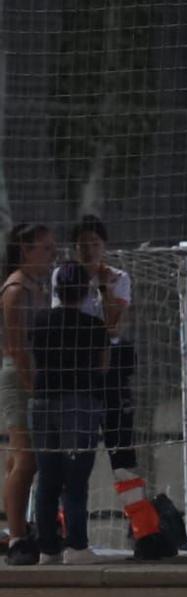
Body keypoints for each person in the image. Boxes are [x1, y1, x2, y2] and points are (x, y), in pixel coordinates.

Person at [67, 216, 168, 555]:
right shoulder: (64, 279)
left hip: (109, 376)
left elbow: (112, 324)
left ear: (104, 246)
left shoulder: (119, 279)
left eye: (94, 243)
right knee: (72, 457)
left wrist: (102, 287)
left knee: (122, 455)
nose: (88, 249)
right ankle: (64, 532)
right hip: (77, 375)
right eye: (82, 244)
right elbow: (65, 324)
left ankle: (144, 533)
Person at [28, 261, 109, 564]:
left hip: (42, 401)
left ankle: (47, 548)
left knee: (47, 477)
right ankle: (76, 545)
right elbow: (102, 366)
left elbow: (33, 358)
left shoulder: (39, 322)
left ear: (57, 290)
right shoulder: (93, 326)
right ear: (85, 291)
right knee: (75, 479)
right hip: (79, 403)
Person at [2, 224, 57, 564]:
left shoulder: (35, 286)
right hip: (20, 377)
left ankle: (18, 527)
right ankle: (17, 538)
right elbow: (18, 346)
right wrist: (32, 386)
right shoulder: (17, 289)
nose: (52, 257)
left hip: (32, 374)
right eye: (46, 249)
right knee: (27, 459)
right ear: (26, 249)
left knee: (18, 458)